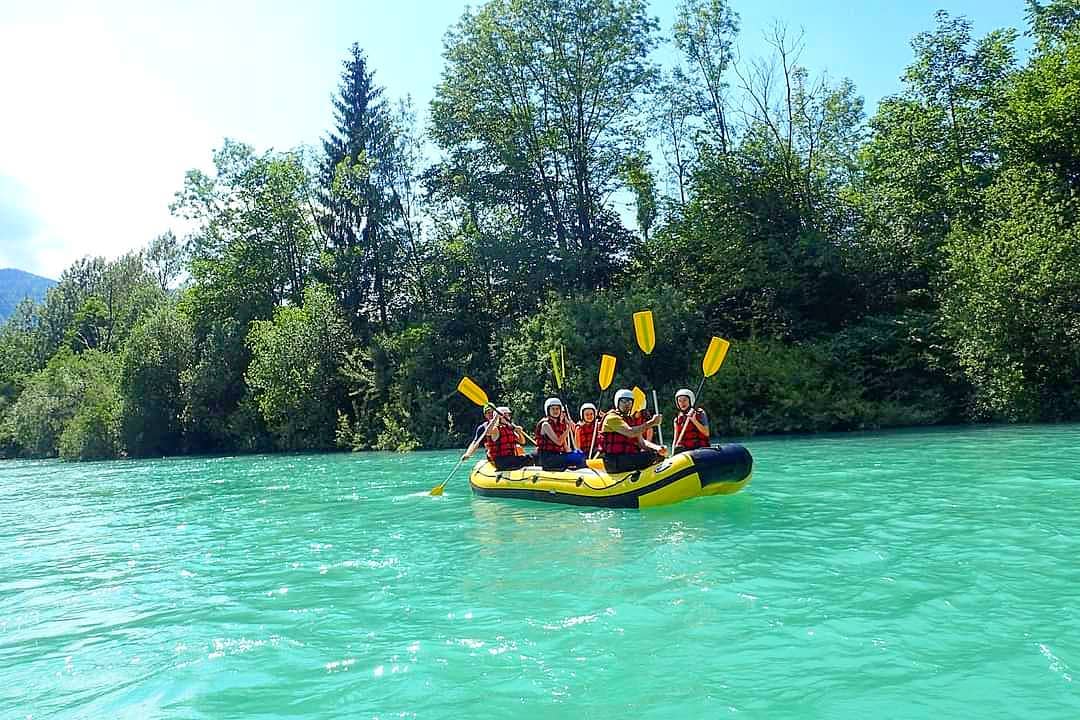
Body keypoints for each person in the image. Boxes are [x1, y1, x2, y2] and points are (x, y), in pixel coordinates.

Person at [599, 389, 665, 473]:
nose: (627, 404)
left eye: (630, 402)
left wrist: (657, 448)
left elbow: (642, 442)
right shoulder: (611, 418)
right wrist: (652, 422)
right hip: (613, 461)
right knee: (650, 456)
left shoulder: (630, 420)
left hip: (626, 458)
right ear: (617, 402)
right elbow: (631, 433)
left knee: (657, 455)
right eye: (623, 401)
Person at [534, 397, 582, 470]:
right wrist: (568, 427)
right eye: (553, 409)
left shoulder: (560, 425)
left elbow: (565, 447)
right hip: (547, 459)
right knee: (575, 458)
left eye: (557, 409)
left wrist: (574, 454)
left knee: (579, 456)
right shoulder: (545, 424)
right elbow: (559, 442)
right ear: (548, 410)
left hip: (557, 456)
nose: (555, 411)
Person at [483, 406, 532, 470]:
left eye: (509, 415)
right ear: (500, 417)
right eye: (506, 415)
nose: (508, 417)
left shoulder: (509, 429)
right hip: (501, 461)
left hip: (511, 458)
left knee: (532, 457)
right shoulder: (496, 429)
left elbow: (522, 442)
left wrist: (519, 432)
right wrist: (495, 418)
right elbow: (487, 432)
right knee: (528, 458)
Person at [672, 388, 710, 453]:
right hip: (685, 450)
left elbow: (706, 433)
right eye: (679, 401)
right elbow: (675, 440)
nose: (682, 403)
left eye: (684, 400)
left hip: (700, 448)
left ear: (690, 400)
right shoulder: (677, 419)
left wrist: (694, 420)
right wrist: (673, 453)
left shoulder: (700, 413)